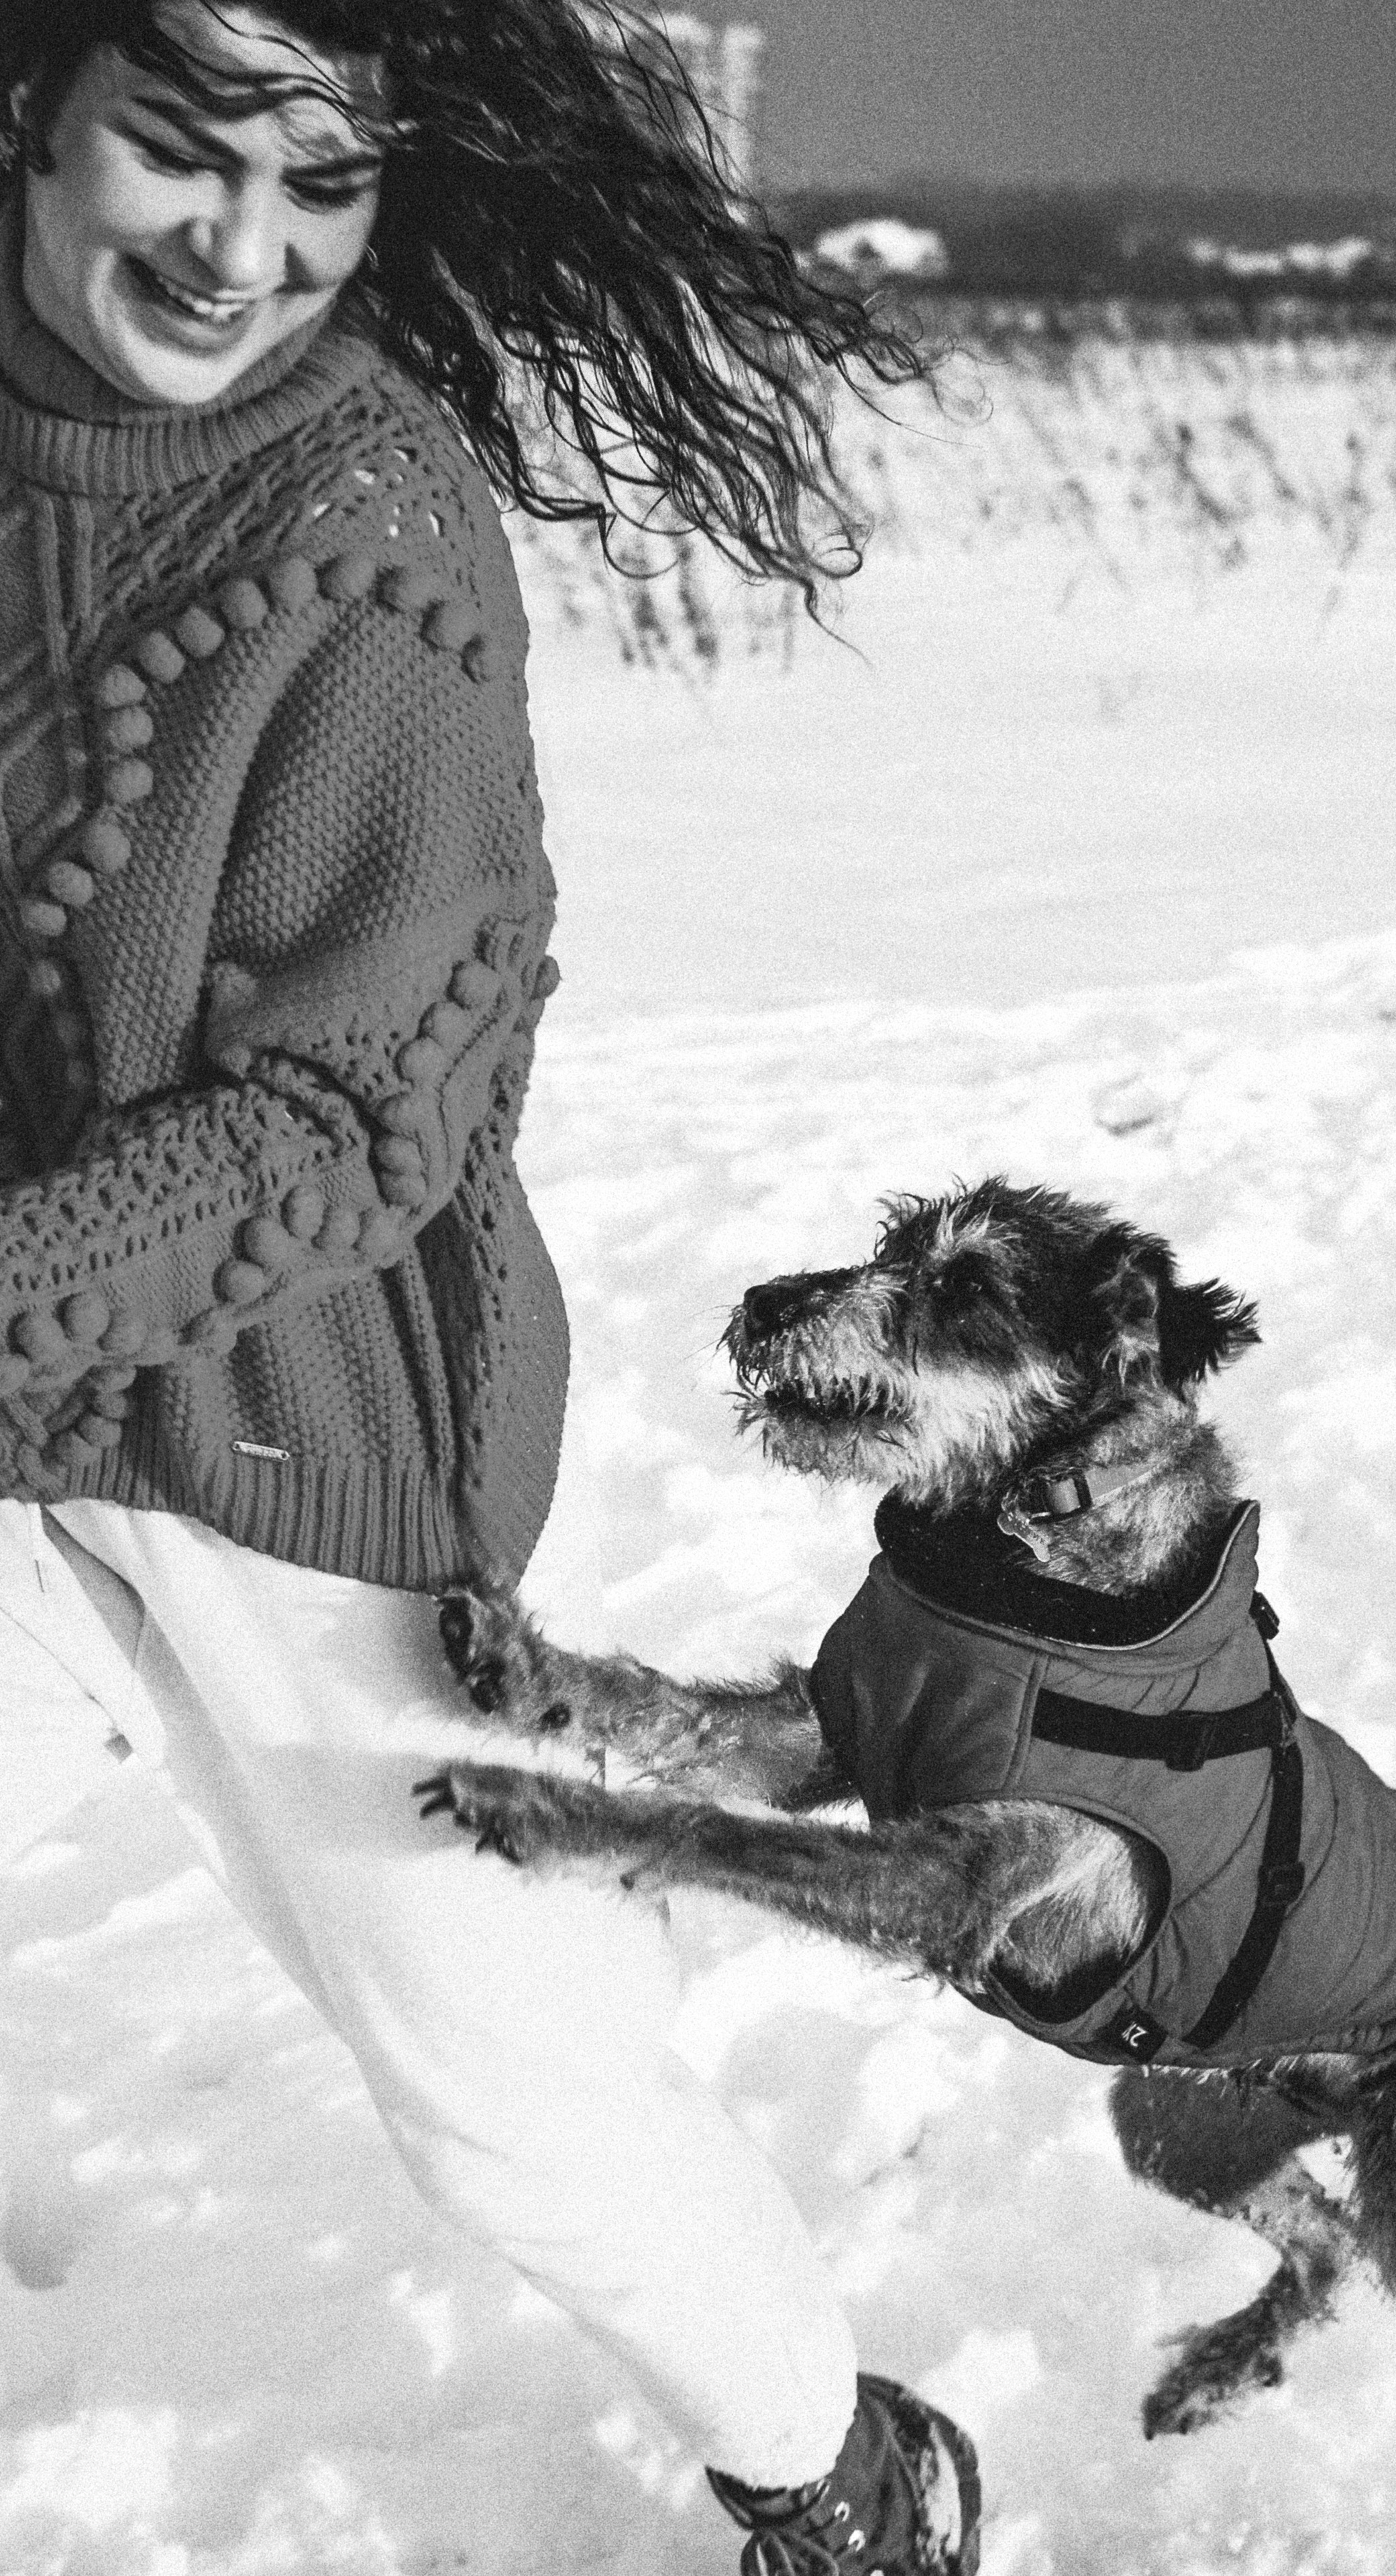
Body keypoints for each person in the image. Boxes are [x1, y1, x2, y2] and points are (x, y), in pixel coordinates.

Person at [0, 4, 979, 2567]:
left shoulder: (363, 518)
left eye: (319, 183)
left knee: (506, 2095)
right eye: (181, 152)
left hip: (292, 1428)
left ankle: (844, 2468)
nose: (245, 247)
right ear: (28, 113)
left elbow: (367, 1107)